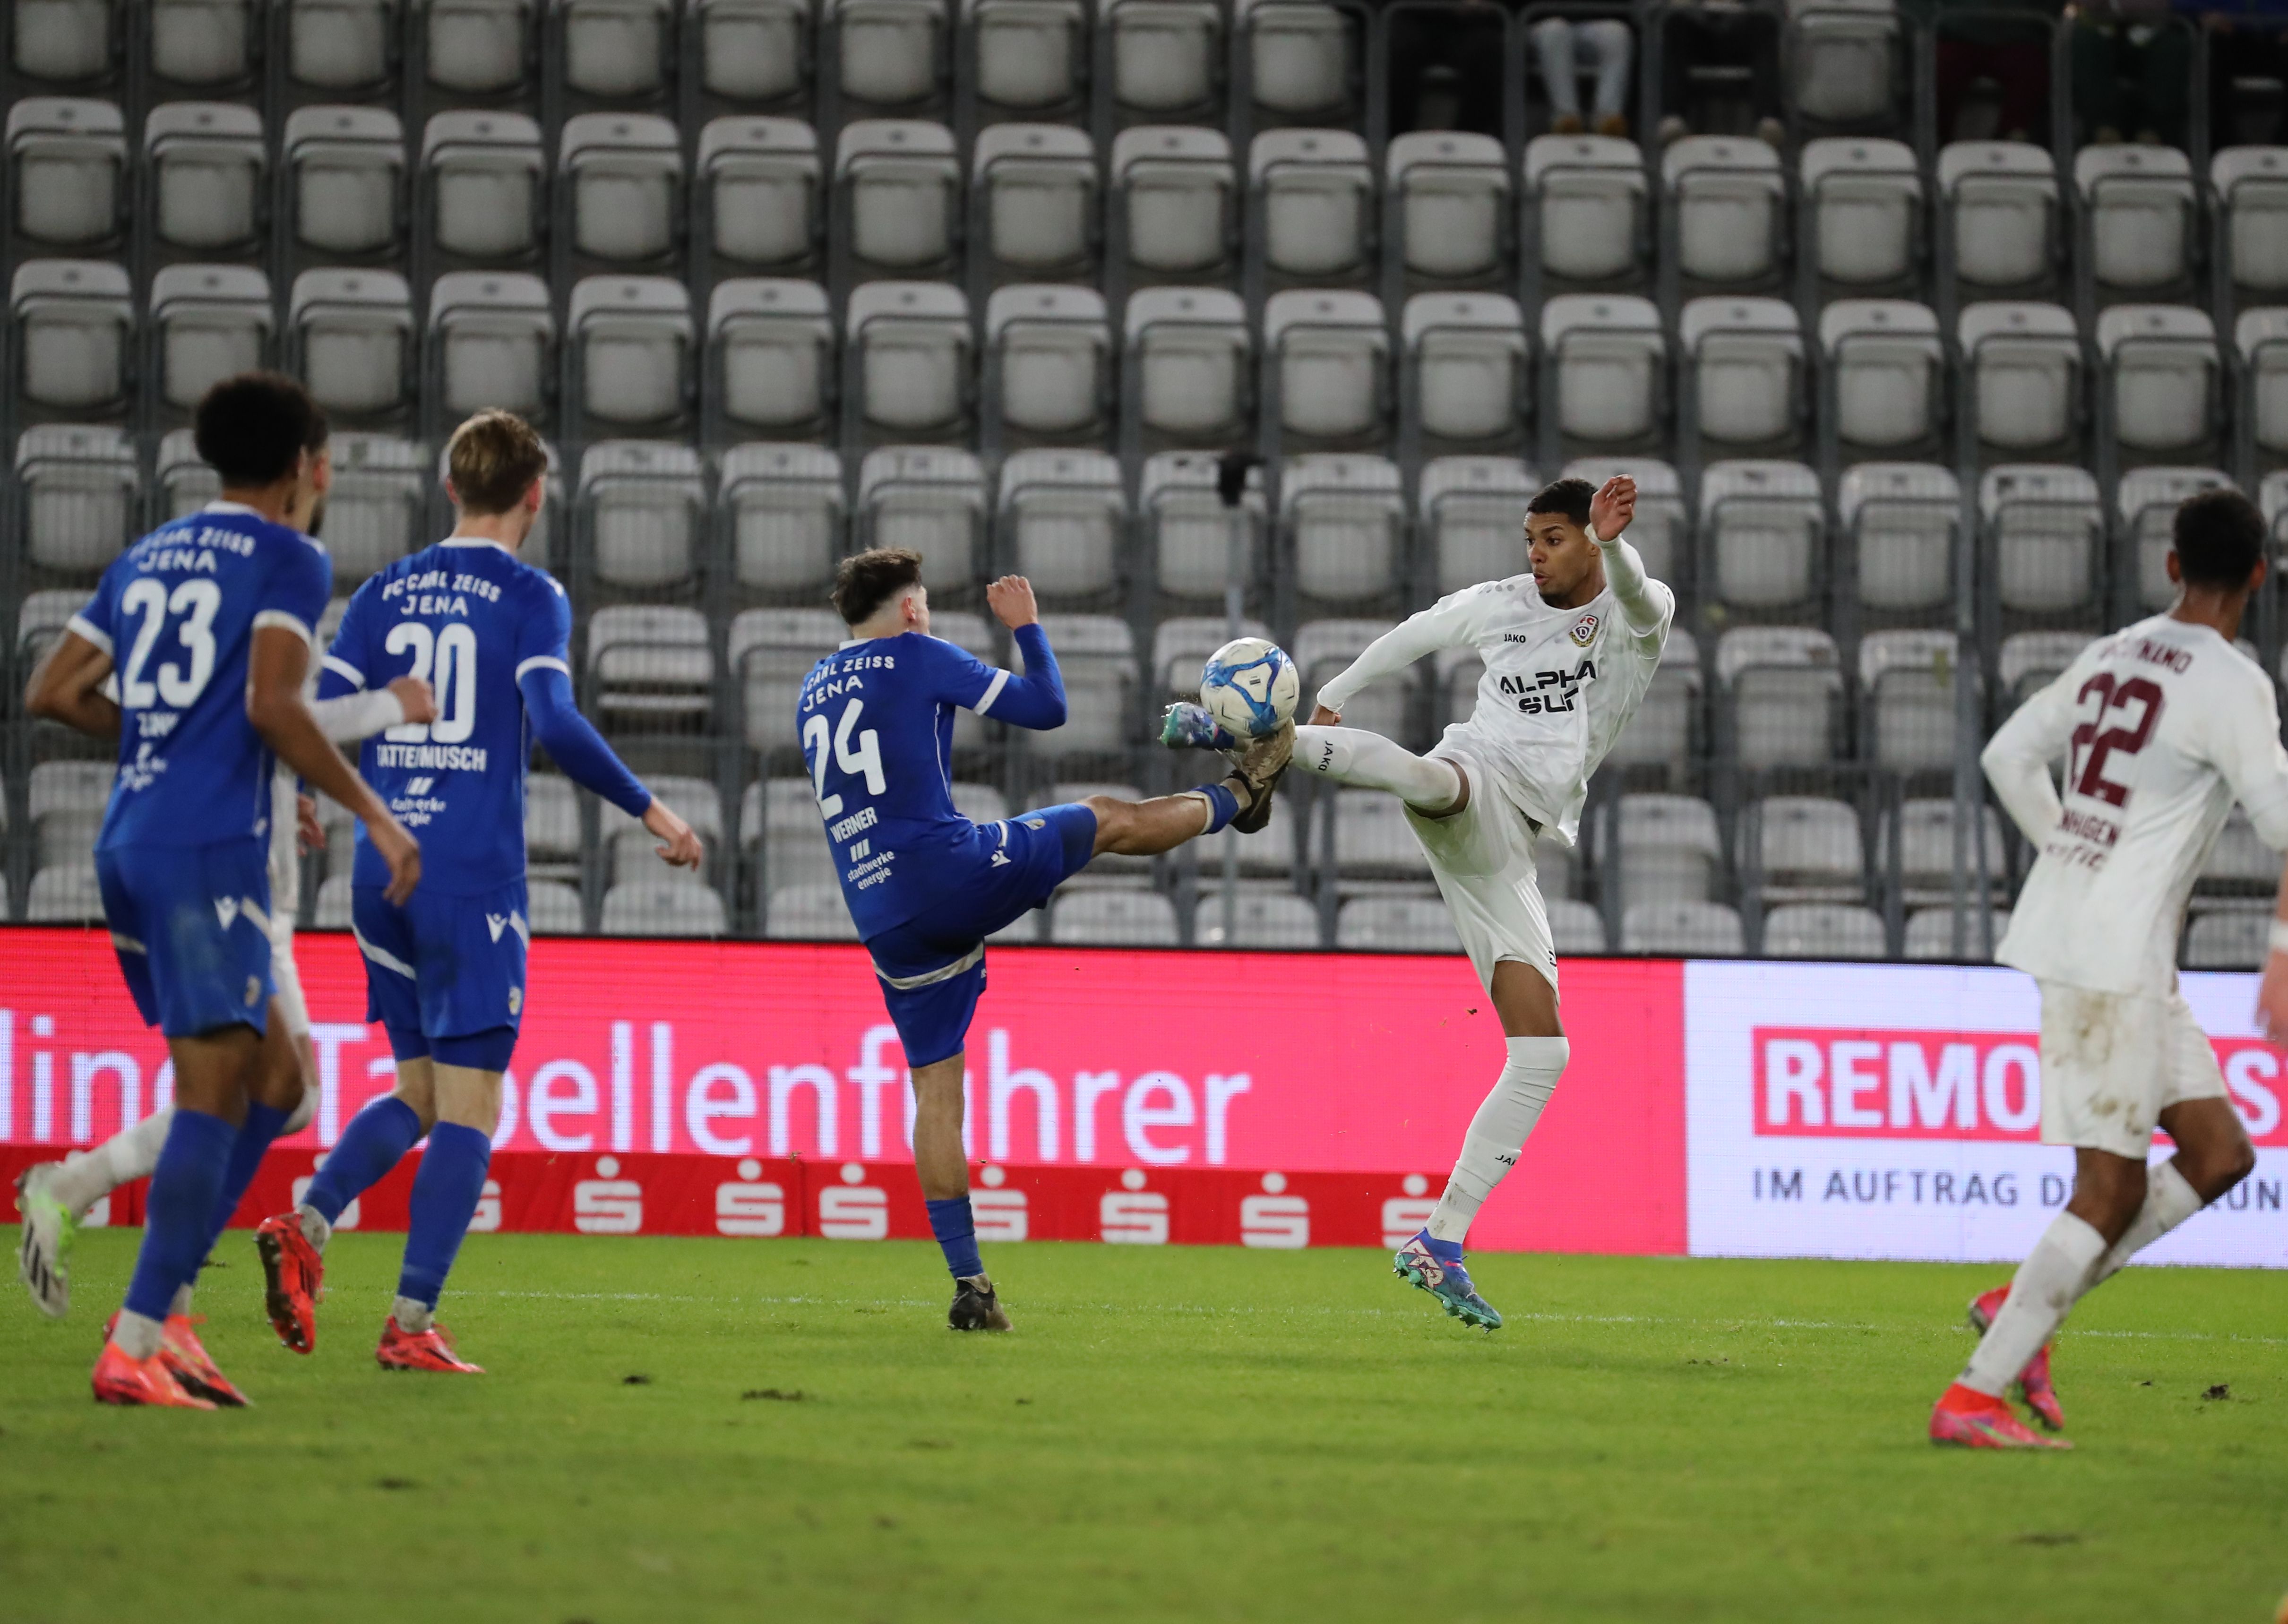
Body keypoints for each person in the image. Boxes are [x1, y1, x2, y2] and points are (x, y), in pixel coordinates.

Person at [251, 409, 704, 1375]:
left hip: (379, 871)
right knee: (472, 1107)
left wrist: (296, 790)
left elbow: (307, 710)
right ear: (536, 494)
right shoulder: (530, 593)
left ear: (451, 488)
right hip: (468, 875)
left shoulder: (382, 590)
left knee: (418, 1089)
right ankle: (411, 1320)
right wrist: (650, 806)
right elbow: (556, 719)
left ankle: (308, 1222)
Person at [1170, 475, 1668, 1331]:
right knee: (1431, 778)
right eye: (1530, 538)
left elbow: (1635, 595)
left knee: (1543, 1054)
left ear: (1589, 540)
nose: (1536, 553)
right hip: (1479, 780)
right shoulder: (1504, 602)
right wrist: (1338, 694)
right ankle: (1258, 740)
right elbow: (1419, 631)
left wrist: (1615, 543)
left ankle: (1441, 1239)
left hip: (1511, 851)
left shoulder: (1635, 606)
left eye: (1552, 538)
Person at [22, 371, 421, 1407]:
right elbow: (274, 703)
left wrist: (172, 743)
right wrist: (377, 815)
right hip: (207, 850)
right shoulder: (287, 553)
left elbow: (53, 690)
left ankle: (152, 1308)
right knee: (216, 1093)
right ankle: (139, 1338)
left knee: (279, 1080)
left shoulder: (146, 555)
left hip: (132, 838)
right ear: (303, 468)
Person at [809, 548, 1293, 1332]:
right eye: (924, 605)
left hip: (881, 912)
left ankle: (971, 1284)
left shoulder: (809, 691)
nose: (927, 616)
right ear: (908, 610)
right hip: (949, 871)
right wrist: (1026, 629)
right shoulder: (916, 653)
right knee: (1104, 817)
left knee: (936, 1092)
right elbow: (1046, 708)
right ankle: (1243, 791)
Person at [1933, 488, 2281, 1450]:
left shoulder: (2115, 650)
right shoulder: (2233, 680)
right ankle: (1977, 1392)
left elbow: (2009, 754)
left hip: (2111, 944)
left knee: (2220, 1154)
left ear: (2172, 565)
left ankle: (2022, 1303)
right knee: (2112, 1185)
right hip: (2111, 953)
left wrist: (2070, 854)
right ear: (2259, 573)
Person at [13, 657, 434, 1321]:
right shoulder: (263, 587)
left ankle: (87, 1197)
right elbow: (277, 715)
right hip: (219, 874)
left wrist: (264, 783)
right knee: (225, 1093)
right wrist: (389, 706)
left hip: (245, 873)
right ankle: (153, 1302)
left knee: (293, 1095)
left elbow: (214, 728)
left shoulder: (206, 600)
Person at [1531, 14, 1634, 138]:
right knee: (1556, 29)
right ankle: (1566, 119)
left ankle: (1607, 120)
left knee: (1617, 32)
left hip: (1586, 23)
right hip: (1536, 22)